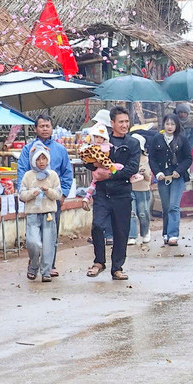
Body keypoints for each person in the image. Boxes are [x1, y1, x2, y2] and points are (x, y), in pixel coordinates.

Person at [84, 108, 142, 280]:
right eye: (120, 122)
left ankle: (117, 268)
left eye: (126, 121)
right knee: (97, 225)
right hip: (102, 193)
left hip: (122, 193)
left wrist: (110, 174)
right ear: (112, 123)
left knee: (121, 232)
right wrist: (95, 164)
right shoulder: (101, 140)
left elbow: (132, 168)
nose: (124, 125)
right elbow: (88, 161)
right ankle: (99, 262)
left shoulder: (133, 143)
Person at [20, 115, 73, 271]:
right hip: (33, 201)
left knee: (51, 235)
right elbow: (22, 172)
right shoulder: (27, 150)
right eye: (41, 126)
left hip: (52, 199)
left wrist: (63, 194)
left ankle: (49, 267)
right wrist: (23, 193)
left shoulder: (60, 150)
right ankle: (34, 261)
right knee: (33, 236)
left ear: (52, 128)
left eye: (47, 126)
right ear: (36, 129)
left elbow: (67, 173)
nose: (44, 129)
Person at [18, 145, 62, 282]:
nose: (41, 162)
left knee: (49, 243)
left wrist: (48, 191)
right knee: (33, 242)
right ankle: (33, 265)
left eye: (44, 158)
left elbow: (58, 194)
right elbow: (21, 195)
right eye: (38, 159)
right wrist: (33, 193)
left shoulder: (53, 175)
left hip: (48, 213)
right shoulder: (28, 176)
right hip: (33, 214)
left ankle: (46, 271)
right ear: (33, 160)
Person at [150, 114, 192, 247]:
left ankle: (173, 234)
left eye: (172, 124)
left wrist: (179, 170)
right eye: (167, 124)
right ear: (163, 125)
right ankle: (166, 233)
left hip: (177, 177)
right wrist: (157, 172)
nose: (169, 127)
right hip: (163, 177)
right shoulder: (157, 139)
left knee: (174, 206)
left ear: (177, 125)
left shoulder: (182, 139)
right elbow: (152, 158)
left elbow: (188, 158)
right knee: (166, 206)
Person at [128, 127, 154, 246]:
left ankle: (145, 231)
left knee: (143, 212)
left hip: (143, 190)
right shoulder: (127, 158)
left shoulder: (146, 159)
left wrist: (143, 173)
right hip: (130, 188)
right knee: (131, 213)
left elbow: (149, 178)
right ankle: (132, 235)